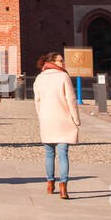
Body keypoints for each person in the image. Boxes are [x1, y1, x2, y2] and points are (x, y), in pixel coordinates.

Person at [34, 52, 80, 199]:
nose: (63, 63)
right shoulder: (63, 77)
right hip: (63, 120)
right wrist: (76, 119)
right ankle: (63, 188)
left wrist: (41, 116)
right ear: (53, 62)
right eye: (61, 61)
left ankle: (50, 183)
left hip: (47, 120)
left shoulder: (39, 78)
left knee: (49, 154)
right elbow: (71, 100)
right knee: (63, 155)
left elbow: (37, 101)